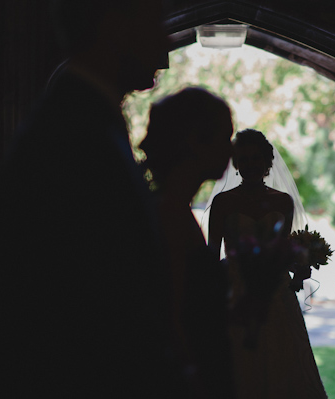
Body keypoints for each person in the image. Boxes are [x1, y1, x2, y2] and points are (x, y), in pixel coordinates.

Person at [0, 1, 181, 397]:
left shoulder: (88, 121)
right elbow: (87, 307)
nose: (166, 50)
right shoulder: (73, 137)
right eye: (155, 22)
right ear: (113, 24)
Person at [208, 129, 328, 398]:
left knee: (283, 359)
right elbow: (210, 254)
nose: (250, 164)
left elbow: (281, 249)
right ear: (236, 164)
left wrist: (301, 267)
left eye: (256, 158)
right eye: (244, 159)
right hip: (236, 288)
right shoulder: (223, 202)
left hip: (275, 292)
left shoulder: (282, 201)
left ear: (267, 162)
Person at [139, 87, 236, 398]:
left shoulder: (176, 210)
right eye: (225, 137)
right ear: (196, 140)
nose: (230, 149)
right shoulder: (168, 215)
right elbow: (172, 321)